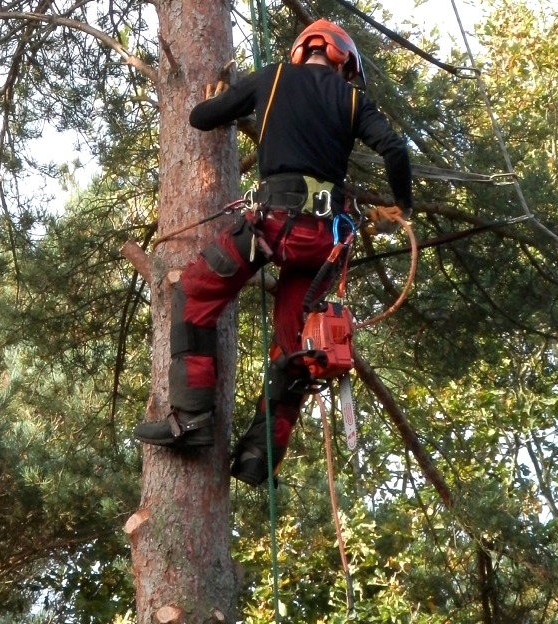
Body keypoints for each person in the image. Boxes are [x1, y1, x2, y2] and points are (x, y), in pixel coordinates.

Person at [134, 19, 412, 486]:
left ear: (304, 50)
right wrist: (400, 207)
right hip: (324, 243)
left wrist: (234, 101)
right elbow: (394, 149)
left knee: (196, 296)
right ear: (344, 61)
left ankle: (193, 421)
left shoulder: (272, 78)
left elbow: (200, 118)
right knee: (294, 348)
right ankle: (258, 457)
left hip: (274, 227)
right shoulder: (351, 100)